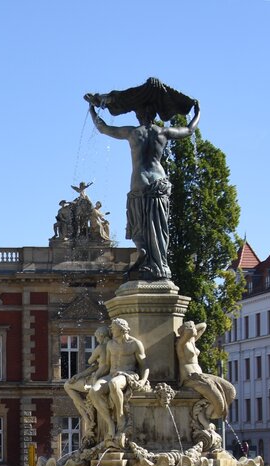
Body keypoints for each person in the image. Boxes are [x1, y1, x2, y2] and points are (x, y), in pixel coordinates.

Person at [85, 80, 200, 281]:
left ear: (138, 115)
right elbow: (189, 130)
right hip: (159, 182)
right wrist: (197, 112)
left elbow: (103, 128)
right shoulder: (163, 132)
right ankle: (160, 263)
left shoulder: (132, 132)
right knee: (159, 227)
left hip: (139, 182)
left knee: (139, 223)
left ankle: (143, 252)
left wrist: (92, 110)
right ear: (154, 114)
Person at [89, 318, 150, 442]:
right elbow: (106, 365)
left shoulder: (134, 344)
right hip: (111, 374)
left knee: (114, 384)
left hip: (127, 374)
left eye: (113, 328)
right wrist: (96, 376)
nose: (111, 330)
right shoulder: (110, 344)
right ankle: (110, 423)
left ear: (122, 329)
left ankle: (120, 416)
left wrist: (143, 380)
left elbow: (144, 366)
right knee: (93, 391)